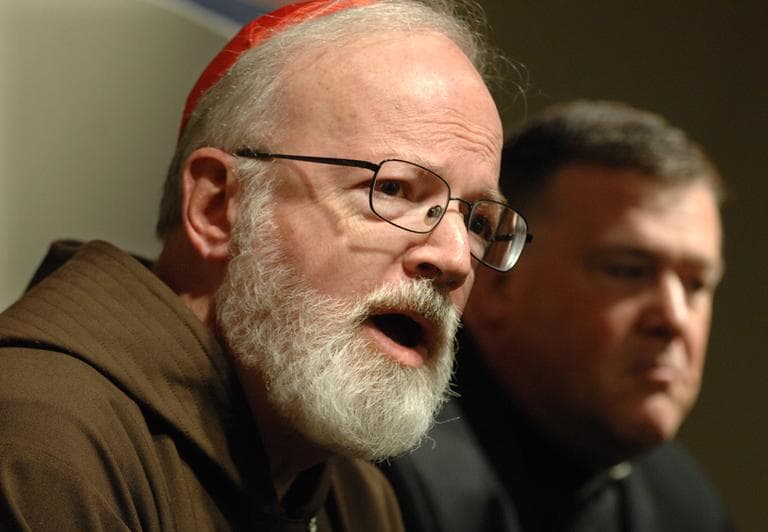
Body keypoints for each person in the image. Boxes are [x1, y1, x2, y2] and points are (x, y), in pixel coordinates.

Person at [0, 1, 533, 530]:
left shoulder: (357, 494)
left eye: (477, 222)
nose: (456, 260)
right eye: (391, 189)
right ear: (216, 207)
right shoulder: (42, 438)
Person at [382, 100, 733, 532]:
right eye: (628, 270)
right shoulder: (390, 470)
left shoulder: (682, 502)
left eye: (696, 284)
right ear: (496, 282)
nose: (674, 319)